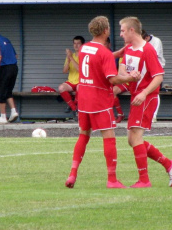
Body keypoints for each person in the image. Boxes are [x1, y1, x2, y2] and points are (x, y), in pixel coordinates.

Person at [65, 16, 140, 189]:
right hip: (100, 101)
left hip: (83, 99)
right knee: (109, 139)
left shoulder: (84, 48)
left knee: (83, 136)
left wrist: (116, 54)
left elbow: (96, 59)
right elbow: (113, 79)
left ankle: (72, 174)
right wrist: (131, 77)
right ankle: (112, 180)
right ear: (106, 31)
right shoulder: (104, 53)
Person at [119, 17, 172, 188]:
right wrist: (128, 76)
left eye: (123, 30)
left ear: (132, 30)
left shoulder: (148, 50)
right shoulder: (128, 49)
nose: (121, 34)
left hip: (146, 98)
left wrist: (145, 92)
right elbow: (122, 69)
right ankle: (169, 164)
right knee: (132, 140)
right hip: (135, 98)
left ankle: (144, 180)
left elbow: (159, 76)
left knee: (136, 137)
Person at [0, 31, 19, 124]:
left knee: (0, 91)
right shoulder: (6, 39)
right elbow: (16, 55)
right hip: (14, 67)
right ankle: (13, 111)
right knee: (8, 91)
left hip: (4, 68)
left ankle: (3, 116)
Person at [103, 37, 129, 123]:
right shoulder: (121, 56)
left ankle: (120, 114)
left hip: (129, 82)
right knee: (108, 91)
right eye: (125, 45)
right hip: (122, 81)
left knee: (112, 91)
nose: (126, 47)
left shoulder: (133, 56)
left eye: (128, 45)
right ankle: (109, 115)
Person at [142, 30, 166, 123]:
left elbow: (151, 55)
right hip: (145, 72)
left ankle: (153, 116)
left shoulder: (156, 41)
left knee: (155, 93)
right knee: (143, 92)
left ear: (147, 37)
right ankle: (145, 114)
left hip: (156, 71)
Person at [58, 36, 85, 117]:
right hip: (71, 81)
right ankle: (74, 108)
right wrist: (69, 58)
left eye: (78, 43)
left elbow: (80, 70)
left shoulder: (84, 55)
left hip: (81, 81)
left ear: (82, 45)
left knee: (80, 88)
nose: (76, 45)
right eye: (74, 43)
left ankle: (74, 107)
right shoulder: (70, 55)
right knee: (61, 88)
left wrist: (71, 58)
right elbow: (65, 71)